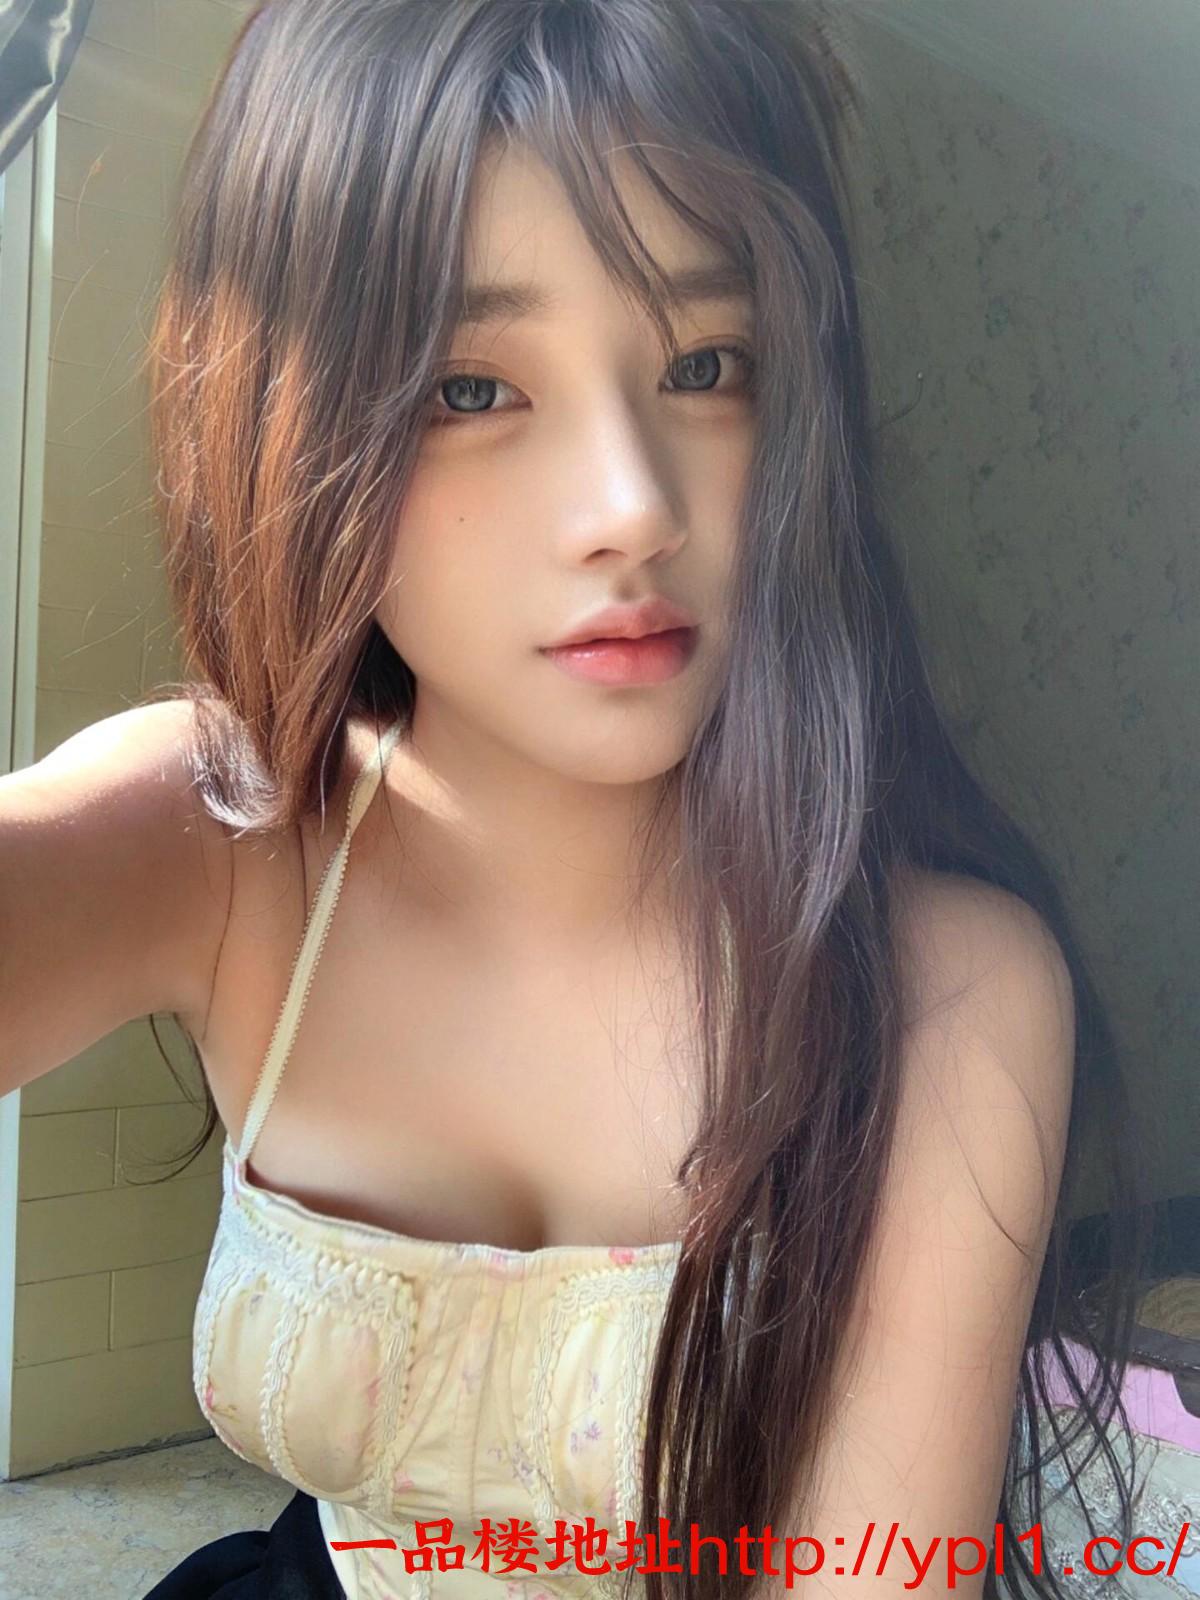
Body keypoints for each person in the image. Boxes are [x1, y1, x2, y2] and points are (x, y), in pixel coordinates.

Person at [1, 2, 1176, 1598]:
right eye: (470, 388)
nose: (633, 505)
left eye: (705, 365)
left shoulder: (948, 998)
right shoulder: (224, 841)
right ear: (293, 414)